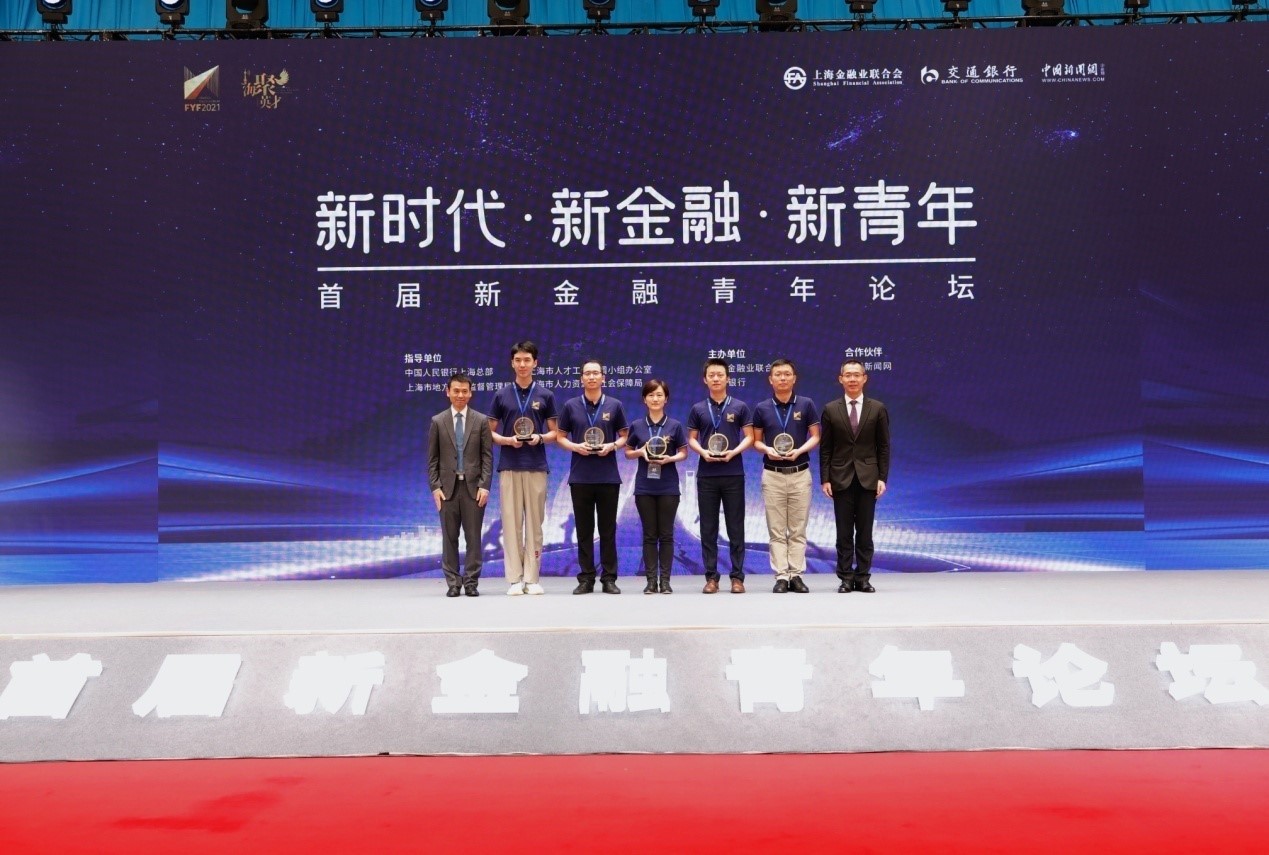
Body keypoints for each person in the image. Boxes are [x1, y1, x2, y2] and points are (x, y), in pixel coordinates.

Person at [489, 341, 558, 597]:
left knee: (535, 525)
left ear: (535, 363)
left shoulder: (546, 395)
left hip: (536, 466)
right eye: (518, 360)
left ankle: (532, 578)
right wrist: (508, 441)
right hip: (509, 465)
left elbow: (555, 432)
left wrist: (540, 437)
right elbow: (489, 433)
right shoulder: (501, 395)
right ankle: (515, 579)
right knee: (511, 524)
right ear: (512, 363)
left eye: (527, 360)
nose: (522, 364)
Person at [556, 359, 629, 595]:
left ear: (603, 377)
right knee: (584, 531)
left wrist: (612, 446)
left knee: (607, 530)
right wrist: (576, 447)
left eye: (595, 373)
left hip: (608, 476)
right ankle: (586, 578)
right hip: (580, 476)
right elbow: (560, 437)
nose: (591, 377)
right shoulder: (570, 406)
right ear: (581, 378)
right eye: (587, 373)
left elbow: (624, 436)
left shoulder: (615, 405)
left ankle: (609, 578)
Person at [819, 360, 890, 593]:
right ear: (840, 379)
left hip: (869, 478)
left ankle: (863, 577)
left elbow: (883, 447)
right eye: (847, 375)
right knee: (844, 533)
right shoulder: (831, 409)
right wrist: (825, 478)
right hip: (840, 478)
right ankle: (846, 578)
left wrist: (882, 477)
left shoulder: (877, 408)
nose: (852, 379)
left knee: (865, 532)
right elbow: (826, 448)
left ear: (864, 378)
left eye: (856, 375)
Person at [751, 359, 821, 593]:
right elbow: (756, 441)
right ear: (770, 379)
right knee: (777, 529)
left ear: (794, 378)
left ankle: (796, 575)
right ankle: (781, 576)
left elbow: (815, 436)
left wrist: (799, 451)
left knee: (798, 528)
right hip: (773, 475)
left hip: (800, 473)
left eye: (787, 374)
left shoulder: (806, 404)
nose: (782, 378)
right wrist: (767, 449)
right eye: (778, 374)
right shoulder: (762, 408)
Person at [687, 358, 754, 594]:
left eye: (720, 375)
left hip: (733, 472)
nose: (716, 379)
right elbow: (691, 439)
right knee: (708, 527)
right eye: (711, 375)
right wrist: (703, 452)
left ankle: (737, 578)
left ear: (728, 379)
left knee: (735, 526)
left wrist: (734, 452)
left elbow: (749, 436)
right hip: (707, 475)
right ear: (705, 380)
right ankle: (711, 578)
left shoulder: (740, 407)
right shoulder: (698, 409)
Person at [427, 372, 493, 597]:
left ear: (470, 393)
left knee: (473, 538)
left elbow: (487, 457)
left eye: (465, 391)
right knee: (449, 538)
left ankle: (471, 582)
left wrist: (485, 485)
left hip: (474, 489)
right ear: (448, 392)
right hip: (447, 490)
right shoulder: (438, 421)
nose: (460, 395)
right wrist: (435, 487)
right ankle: (453, 583)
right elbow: (432, 459)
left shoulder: (481, 420)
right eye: (456, 391)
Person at [625, 379, 689, 595]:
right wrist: (640, 452)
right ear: (644, 399)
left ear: (666, 399)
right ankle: (651, 581)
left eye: (659, 395)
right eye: (651, 395)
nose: (655, 399)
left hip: (668, 486)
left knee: (667, 535)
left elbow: (683, 452)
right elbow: (628, 452)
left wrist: (670, 459)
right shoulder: (637, 425)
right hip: (645, 486)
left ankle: (666, 581)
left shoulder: (674, 425)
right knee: (649, 535)